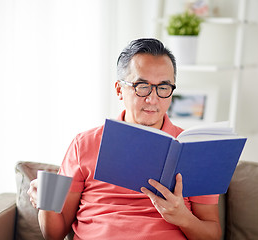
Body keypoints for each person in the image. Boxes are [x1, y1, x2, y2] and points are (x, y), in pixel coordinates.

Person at [27, 38, 222, 240]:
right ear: (120, 89)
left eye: (163, 87)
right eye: (142, 86)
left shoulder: (195, 150)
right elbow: (54, 235)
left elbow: (213, 235)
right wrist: (46, 202)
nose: (153, 99)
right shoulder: (84, 144)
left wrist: (183, 217)